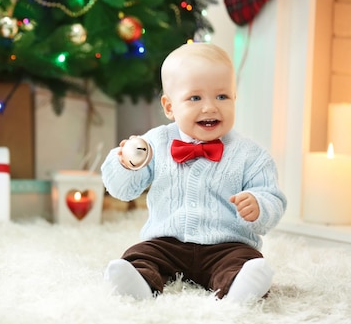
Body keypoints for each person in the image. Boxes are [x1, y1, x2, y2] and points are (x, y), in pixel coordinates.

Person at [101, 42, 287, 303]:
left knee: (244, 261)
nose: (210, 107)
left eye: (222, 96)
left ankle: (240, 288)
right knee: (141, 254)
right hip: (166, 243)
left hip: (227, 245)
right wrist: (125, 164)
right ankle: (139, 283)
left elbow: (273, 198)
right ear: (169, 107)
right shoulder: (155, 143)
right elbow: (123, 190)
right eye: (195, 98)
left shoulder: (251, 156)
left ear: (235, 97)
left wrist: (259, 205)